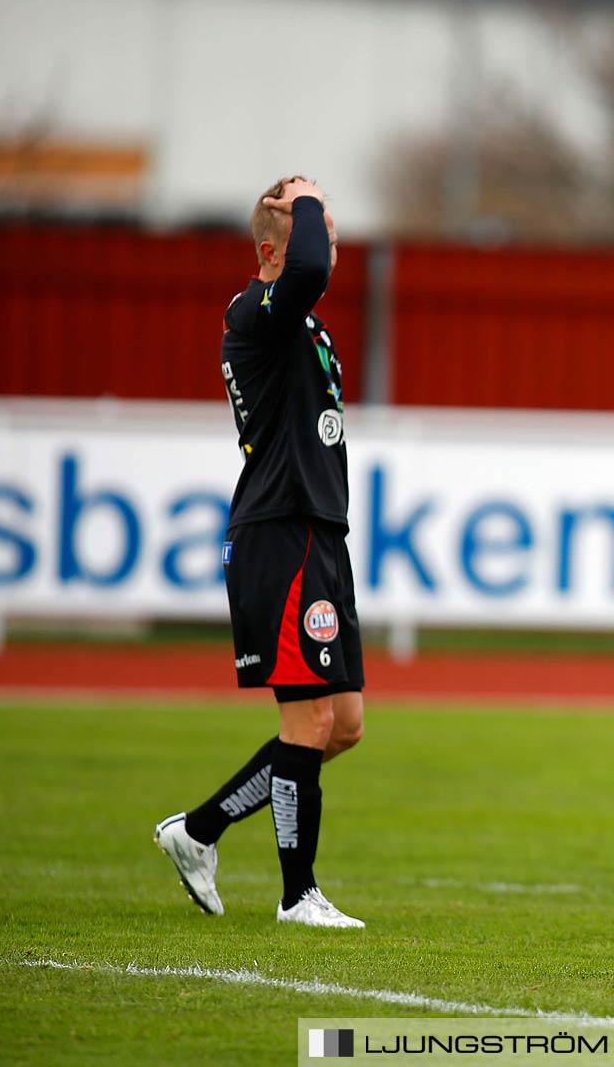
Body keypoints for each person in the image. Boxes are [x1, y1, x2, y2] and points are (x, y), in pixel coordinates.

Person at [153, 176, 366, 929]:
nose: (327, 245)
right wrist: (303, 196)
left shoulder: (299, 324)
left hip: (316, 531)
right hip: (280, 531)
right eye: (317, 230)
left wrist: (306, 211)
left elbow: (309, 271)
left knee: (341, 725)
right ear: (273, 247)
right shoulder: (257, 312)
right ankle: (297, 895)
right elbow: (304, 267)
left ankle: (199, 829)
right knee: (306, 726)